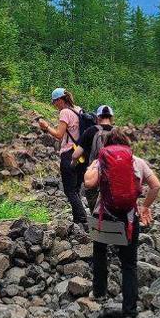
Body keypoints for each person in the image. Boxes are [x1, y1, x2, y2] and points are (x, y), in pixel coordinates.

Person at [83, 127, 160, 318]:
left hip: (104, 215)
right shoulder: (138, 162)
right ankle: (130, 313)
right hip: (128, 218)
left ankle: (99, 292)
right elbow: (156, 186)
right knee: (129, 264)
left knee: (99, 254)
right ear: (127, 145)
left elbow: (88, 184)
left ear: (107, 145)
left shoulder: (102, 161)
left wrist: (92, 166)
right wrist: (144, 207)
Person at [36, 88, 91, 227]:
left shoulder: (65, 112)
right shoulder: (79, 110)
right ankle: (78, 220)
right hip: (81, 153)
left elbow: (59, 135)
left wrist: (46, 126)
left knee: (69, 190)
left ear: (60, 100)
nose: (55, 105)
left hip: (69, 154)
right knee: (77, 188)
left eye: (55, 102)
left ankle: (82, 218)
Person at [75, 105, 114, 213]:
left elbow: (76, 154)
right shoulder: (118, 133)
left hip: (94, 173)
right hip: (113, 175)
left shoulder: (91, 131)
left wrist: (73, 163)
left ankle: (97, 222)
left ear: (98, 117)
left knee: (94, 207)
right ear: (111, 118)